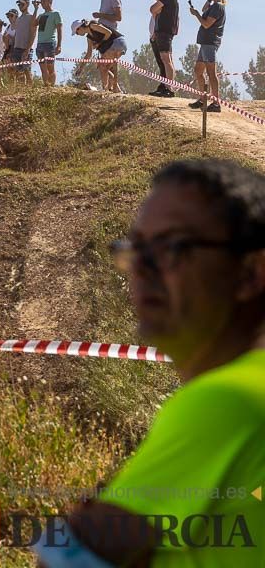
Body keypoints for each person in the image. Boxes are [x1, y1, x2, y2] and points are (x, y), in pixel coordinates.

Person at [37, 159, 265, 567]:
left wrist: (78, 526)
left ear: (251, 273)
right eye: (135, 249)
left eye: (171, 247)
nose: (141, 268)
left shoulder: (223, 402)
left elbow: (62, 562)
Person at [187, 0, 227, 114]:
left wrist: (196, 14)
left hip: (210, 42)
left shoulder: (217, 7)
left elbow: (206, 24)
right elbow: (205, 9)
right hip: (206, 43)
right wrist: (209, 0)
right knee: (198, 71)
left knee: (211, 73)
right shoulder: (214, 6)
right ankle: (203, 98)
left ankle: (216, 103)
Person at [72, 19, 127, 93]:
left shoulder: (93, 26)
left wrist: (99, 44)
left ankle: (106, 90)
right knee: (105, 67)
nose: (77, 35)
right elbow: (88, 54)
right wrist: (81, 68)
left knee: (102, 65)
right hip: (116, 45)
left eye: (77, 33)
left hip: (117, 43)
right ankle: (115, 90)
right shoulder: (89, 38)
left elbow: (108, 33)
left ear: (79, 28)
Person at [149, 0, 179, 97]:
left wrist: (157, 9)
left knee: (166, 59)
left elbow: (153, 9)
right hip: (162, 31)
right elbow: (155, 10)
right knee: (165, 60)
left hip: (165, 32)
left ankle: (169, 88)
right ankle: (165, 87)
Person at [33, 0, 63, 86]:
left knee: (50, 67)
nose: (42, 2)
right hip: (40, 44)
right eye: (41, 0)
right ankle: (46, 86)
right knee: (43, 68)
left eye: (44, 0)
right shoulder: (41, 15)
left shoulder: (55, 13)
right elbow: (33, 24)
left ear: (50, 1)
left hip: (50, 43)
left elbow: (59, 29)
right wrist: (36, 9)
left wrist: (59, 45)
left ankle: (52, 87)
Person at [10, 0, 37, 82]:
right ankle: (21, 90)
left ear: (27, 4)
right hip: (17, 48)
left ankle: (30, 91)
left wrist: (28, 49)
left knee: (26, 70)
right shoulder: (18, 19)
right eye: (19, 4)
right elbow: (16, 35)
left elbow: (33, 33)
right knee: (18, 71)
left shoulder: (31, 17)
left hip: (26, 48)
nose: (20, 6)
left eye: (22, 4)